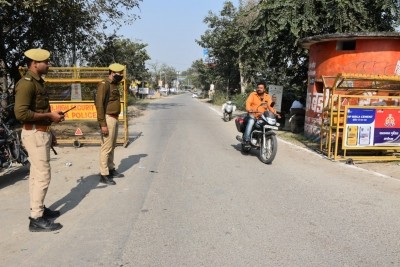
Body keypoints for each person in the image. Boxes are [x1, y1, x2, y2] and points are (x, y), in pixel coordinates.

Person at [14, 48, 65, 232]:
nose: (48, 64)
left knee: (36, 175)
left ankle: (39, 209)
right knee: (43, 176)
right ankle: (36, 219)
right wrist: (50, 115)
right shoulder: (26, 84)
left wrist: (51, 128)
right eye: (46, 61)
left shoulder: (38, 83)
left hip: (41, 132)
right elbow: (21, 113)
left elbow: (42, 112)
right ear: (35, 63)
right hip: (34, 133)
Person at [95, 63, 125, 185]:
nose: (121, 75)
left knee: (112, 146)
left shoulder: (114, 85)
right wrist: (103, 124)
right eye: (119, 73)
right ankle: (104, 174)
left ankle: (111, 169)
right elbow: (99, 105)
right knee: (106, 147)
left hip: (114, 118)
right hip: (108, 119)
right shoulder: (104, 84)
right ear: (112, 72)